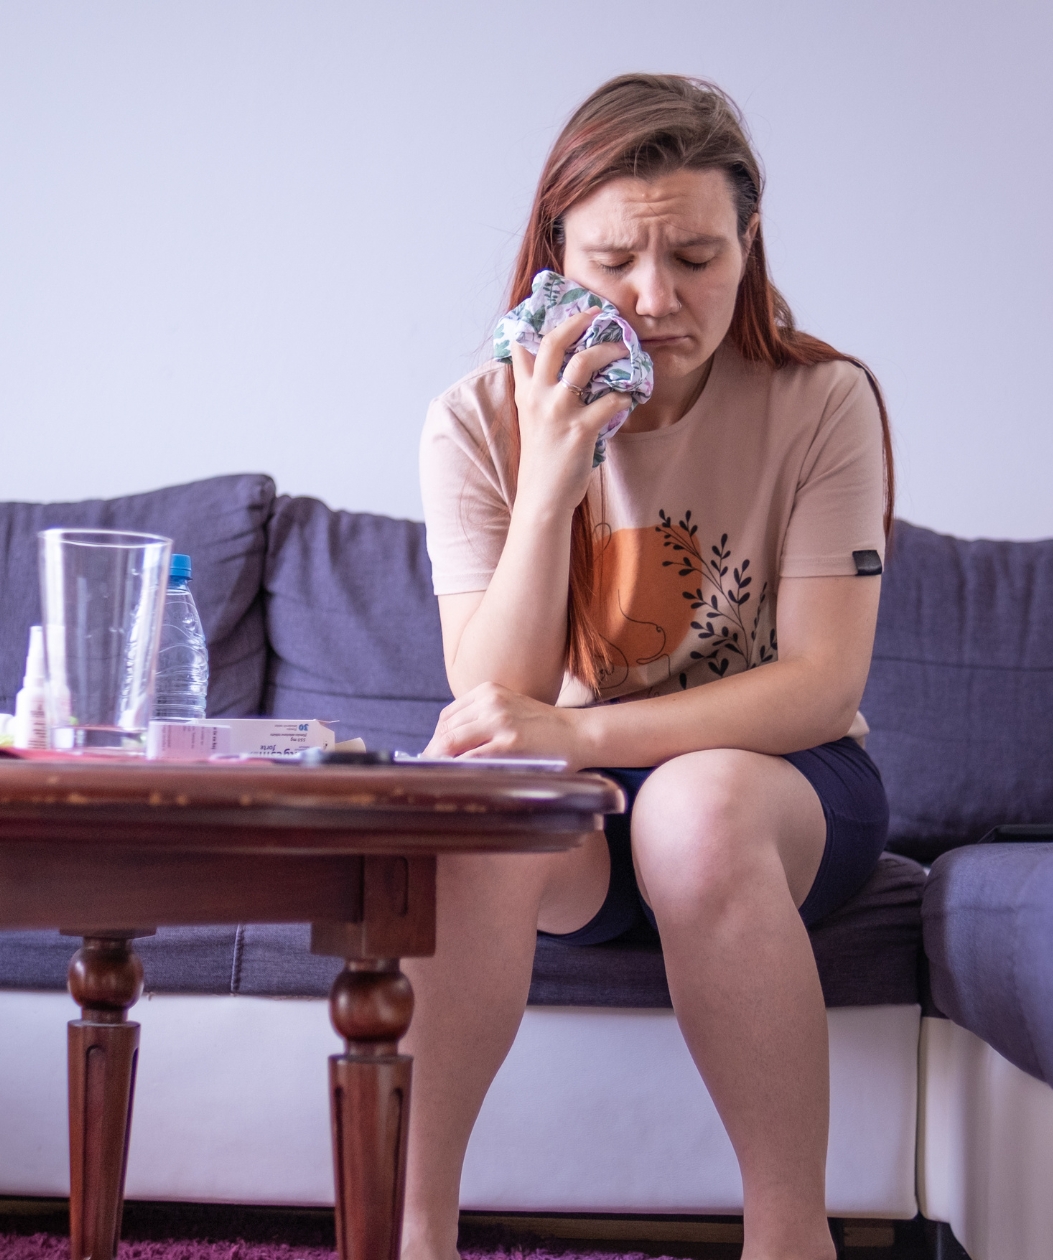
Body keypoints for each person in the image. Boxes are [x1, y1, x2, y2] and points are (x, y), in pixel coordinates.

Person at [408, 73, 896, 1260]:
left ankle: (791, 1238)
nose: (654, 299)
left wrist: (576, 737)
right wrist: (550, 479)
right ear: (551, 256)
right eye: (614, 259)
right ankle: (407, 1231)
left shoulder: (822, 402)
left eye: (694, 257)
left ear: (747, 246)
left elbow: (822, 684)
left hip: (778, 792)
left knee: (694, 804)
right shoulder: (472, 422)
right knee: (472, 801)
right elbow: (491, 698)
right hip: (575, 823)